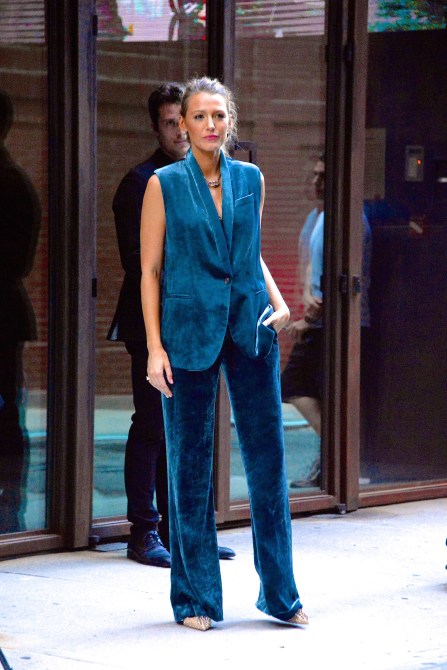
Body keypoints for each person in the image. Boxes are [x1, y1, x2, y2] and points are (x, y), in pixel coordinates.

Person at [140, 76, 308, 631]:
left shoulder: (250, 179)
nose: (210, 124)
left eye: (219, 115)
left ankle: (281, 596)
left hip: (250, 326)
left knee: (268, 462)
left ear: (229, 122)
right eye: (199, 116)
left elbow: (250, 254)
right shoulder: (163, 185)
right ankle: (194, 599)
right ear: (183, 126)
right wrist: (154, 347)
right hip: (187, 332)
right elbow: (150, 271)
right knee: (189, 466)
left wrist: (280, 302)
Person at [107, 83, 235, 568]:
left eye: (185, 121)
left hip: (199, 321)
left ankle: (187, 533)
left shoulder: (210, 177)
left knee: (191, 429)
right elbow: (141, 262)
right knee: (152, 425)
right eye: (170, 124)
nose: (181, 132)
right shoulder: (140, 182)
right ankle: (143, 532)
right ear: (157, 127)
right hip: (152, 324)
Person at [281, 155, 371, 487]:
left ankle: (339, 463)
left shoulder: (348, 220)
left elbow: (346, 281)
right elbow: (311, 266)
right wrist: (306, 297)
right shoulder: (318, 217)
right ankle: (333, 462)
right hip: (320, 323)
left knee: (295, 385)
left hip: (339, 325)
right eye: (316, 175)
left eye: (324, 176)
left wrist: (310, 320)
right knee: (306, 390)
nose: (317, 182)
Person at [0, 89, 40, 532]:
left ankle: (10, 504)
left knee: (7, 412)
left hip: (3, 316)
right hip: (7, 314)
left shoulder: (10, 182)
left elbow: (16, 260)